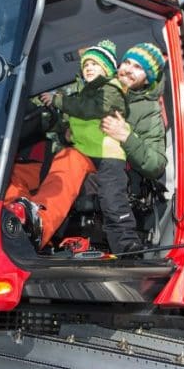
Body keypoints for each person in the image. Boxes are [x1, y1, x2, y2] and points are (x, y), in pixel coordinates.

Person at [3, 40, 119, 247]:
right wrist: (53, 119)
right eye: (86, 65)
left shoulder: (111, 93)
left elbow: (90, 113)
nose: (89, 68)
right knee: (9, 172)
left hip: (96, 158)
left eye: (95, 64)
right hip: (64, 155)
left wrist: (61, 104)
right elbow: (63, 124)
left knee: (69, 159)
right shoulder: (79, 96)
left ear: (108, 70)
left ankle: (40, 225)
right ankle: (14, 219)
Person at [59, 42, 168, 256]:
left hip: (121, 182)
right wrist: (67, 134)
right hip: (89, 168)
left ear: (149, 78)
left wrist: (126, 137)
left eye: (138, 67)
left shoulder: (149, 110)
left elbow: (156, 165)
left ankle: (127, 248)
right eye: (126, 62)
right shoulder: (96, 94)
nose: (127, 69)